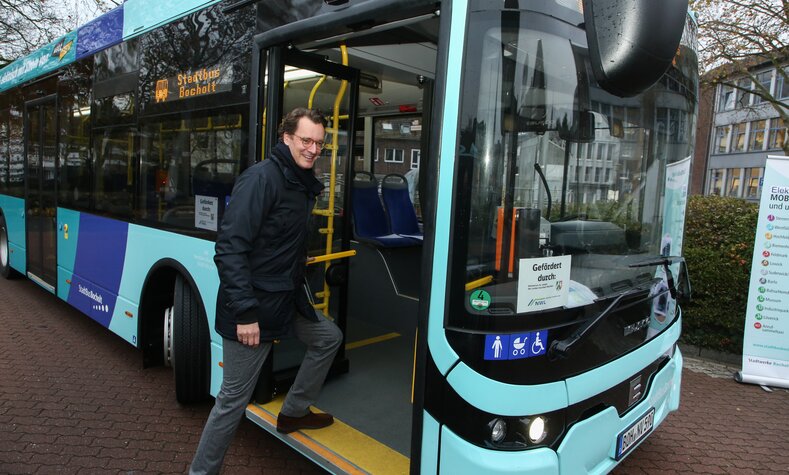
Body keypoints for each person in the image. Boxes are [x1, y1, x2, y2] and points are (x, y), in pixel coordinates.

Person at [190, 108, 343, 475]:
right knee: (232, 400)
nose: (313, 149)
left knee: (328, 337)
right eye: (306, 140)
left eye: (319, 143)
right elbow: (230, 248)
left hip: (283, 300)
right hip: (253, 308)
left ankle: (293, 412)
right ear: (286, 138)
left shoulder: (299, 182)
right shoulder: (262, 179)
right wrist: (245, 313)